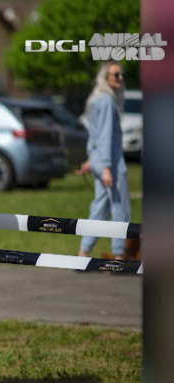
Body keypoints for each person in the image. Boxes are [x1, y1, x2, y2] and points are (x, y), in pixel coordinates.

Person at [77, 61, 131, 260]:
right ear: (105, 77)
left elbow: (95, 136)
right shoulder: (107, 101)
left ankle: (83, 253)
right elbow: (105, 136)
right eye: (116, 75)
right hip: (111, 162)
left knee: (100, 206)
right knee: (120, 207)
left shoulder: (96, 99)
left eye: (121, 74)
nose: (120, 78)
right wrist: (107, 167)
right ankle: (119, 255)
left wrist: (92, 161)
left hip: (99, 159)